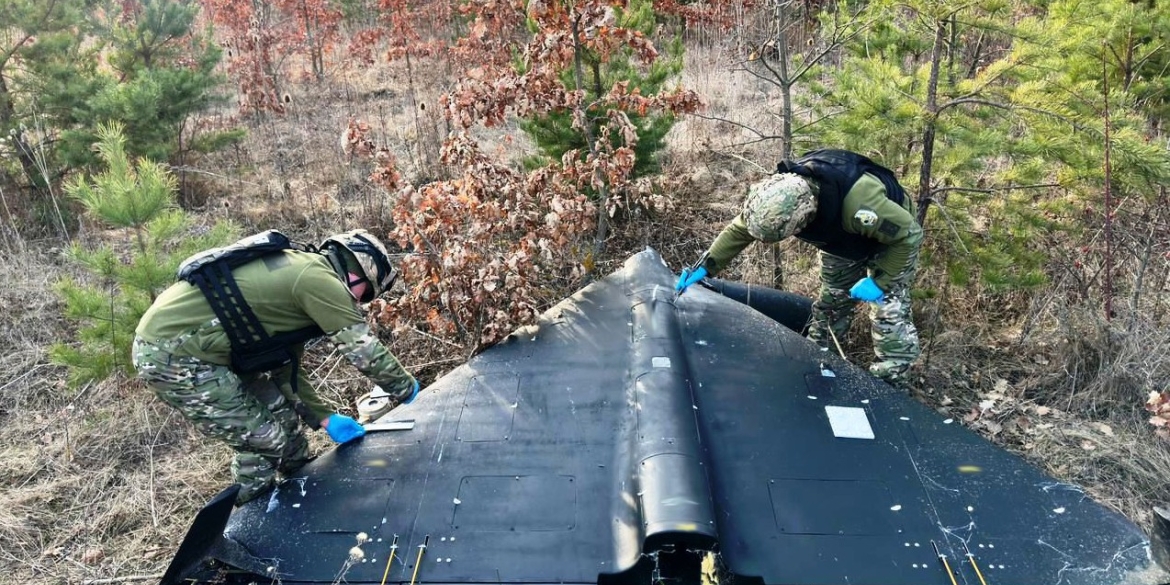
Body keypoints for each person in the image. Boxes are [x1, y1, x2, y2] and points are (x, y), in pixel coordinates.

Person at [132, 229, 419, 504]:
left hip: (207, 347)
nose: (359, 301)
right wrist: (408, 391)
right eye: (366, 293)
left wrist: (324, 417)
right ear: (358, 272)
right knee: (264, 439)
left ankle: (301, 487)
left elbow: (287, 368)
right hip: (172, 352)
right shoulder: (318, 280)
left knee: (283, 417)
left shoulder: (302, 276)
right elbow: (362, 349)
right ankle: (249, 519)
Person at [675, 149, 923, 388]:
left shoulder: (860, 206)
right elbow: (740, 230)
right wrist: (706, 266)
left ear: (805, 218)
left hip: (892, 244)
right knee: (832, 302)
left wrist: (880, 281)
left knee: (888, 312)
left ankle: (890, 385)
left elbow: (908, 235)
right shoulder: (774, 198)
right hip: (843, 241)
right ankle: (819, 363)